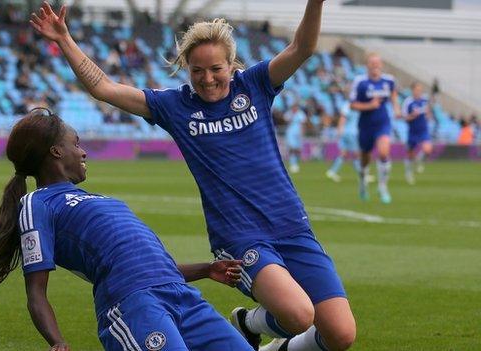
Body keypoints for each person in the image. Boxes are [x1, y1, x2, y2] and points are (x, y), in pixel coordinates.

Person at [30, 2, 356, 351]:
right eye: (197, 70)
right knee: (299, 315)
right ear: (186, 68)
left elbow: (302, 48)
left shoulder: (257, 85)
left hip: (292, 225)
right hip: (241, 236)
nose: (207, 78)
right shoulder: (175, 106)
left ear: (232, 65)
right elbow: (105, 88)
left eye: (216, 68)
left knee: (340, 334)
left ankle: (249, 324)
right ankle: (253, 322)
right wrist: (64, 39)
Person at [0, 109, 254, 351]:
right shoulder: (37, 202)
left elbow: (146, 266)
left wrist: (206, 269)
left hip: (182, 296)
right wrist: (56, 341)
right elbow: (36, 291)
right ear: (56, 151)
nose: (83, 152)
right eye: (76, 143)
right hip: (133, 305)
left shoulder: (101, 199)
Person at [350, 53, 401, 204]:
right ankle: (363, 183)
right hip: (365, 125)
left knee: (384, 152)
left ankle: (382, 186)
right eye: (372, 63)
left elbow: (393, 96)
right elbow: (352, 105)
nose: (375, 66)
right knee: (365, 159)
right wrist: (369, 105)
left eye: (377, 63)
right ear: (367, 65)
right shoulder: (360, 82)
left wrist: (396, 109)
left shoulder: (389, 80)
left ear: (381, 65)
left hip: (382, 122)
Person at [400, 82, 432, 185]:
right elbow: (404, 117)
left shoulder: (424, 100)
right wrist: (412, 116)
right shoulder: (408, 102)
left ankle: (419, 160)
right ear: (412, 90)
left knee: (427, 149)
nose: (419, 92)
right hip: (413, 131)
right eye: (417, 90)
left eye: (420, 90)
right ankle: (408, 173)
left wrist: (428, 115)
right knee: (410, 154)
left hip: (423, 130)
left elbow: (427, 112)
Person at [325, 101, 361, 182]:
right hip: (351, 133)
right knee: (357, 154)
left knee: (343, 154)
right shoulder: (351, 105)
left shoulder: (347, 105)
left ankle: (332, 171)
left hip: (346, 133)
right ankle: (362, 174)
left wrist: (340, 131)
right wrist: (339, 129)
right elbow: (342, 118)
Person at [284, 103, 306, 174]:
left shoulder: (300, 114)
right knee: (292, 148)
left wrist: (302, 133)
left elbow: (303, 124)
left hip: (298, 133)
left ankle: (295, 163)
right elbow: (285, 120)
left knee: (297, 149)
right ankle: (293, 164)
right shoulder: (289, 113)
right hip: (290, 133)